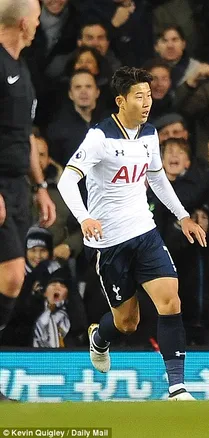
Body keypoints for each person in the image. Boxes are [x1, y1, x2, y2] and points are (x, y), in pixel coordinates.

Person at [57, 66, 207, 401]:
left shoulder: (150, 134)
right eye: (139, 96)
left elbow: (156, 177)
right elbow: (66, 180)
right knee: (127, 322)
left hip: (145, 232)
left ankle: (177, 387)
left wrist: (182, 216)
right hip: (108, 243)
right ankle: (100, 337)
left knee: (171, 301)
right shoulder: (99, 137)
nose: (146, 103)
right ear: (121, 100)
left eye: (149, 96)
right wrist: (83, 218)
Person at [0, 0, 56, 402]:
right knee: (12, 275)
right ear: (23, 22)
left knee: (12, 279)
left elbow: (25, 137)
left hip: (19, 187)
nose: (39, 24)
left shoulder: (22, 68)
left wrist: (40, 186)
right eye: (36, 18)